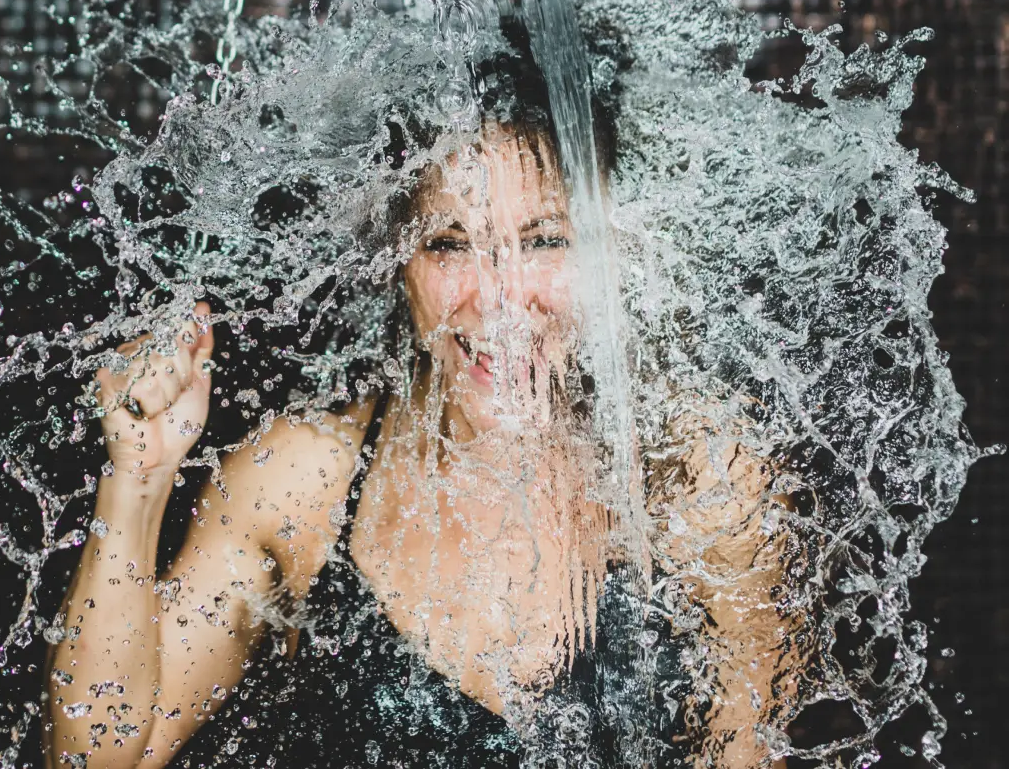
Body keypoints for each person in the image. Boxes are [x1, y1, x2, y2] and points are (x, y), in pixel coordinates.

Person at [43, 45, 797, 769]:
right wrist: (137, 479)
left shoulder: (699, 480)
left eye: (542, 241)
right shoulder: (301, 483)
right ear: (394, 261)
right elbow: (100, 753)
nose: (500, 301)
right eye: (449, 244)